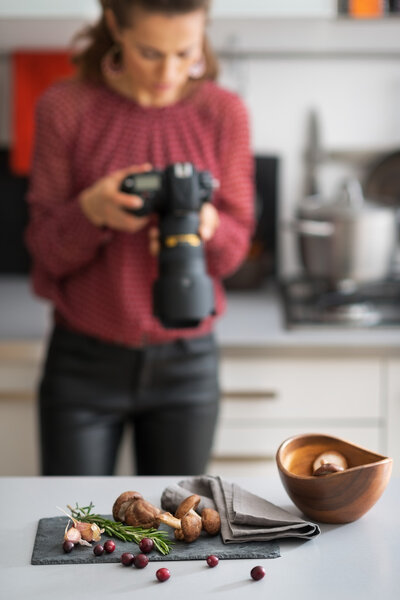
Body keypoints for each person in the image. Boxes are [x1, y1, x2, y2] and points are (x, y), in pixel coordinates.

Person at [25, 0, 254, 476]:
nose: (168, 72)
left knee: (176, 536)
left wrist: (207, 226)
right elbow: (45, 248)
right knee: (76, 531)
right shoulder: (66, 107)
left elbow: (233, 252)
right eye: (151, 52)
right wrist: (92, 211)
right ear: (116, 25)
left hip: (188, 362)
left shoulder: (223, 112)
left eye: (185, 53)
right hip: (82, 363)